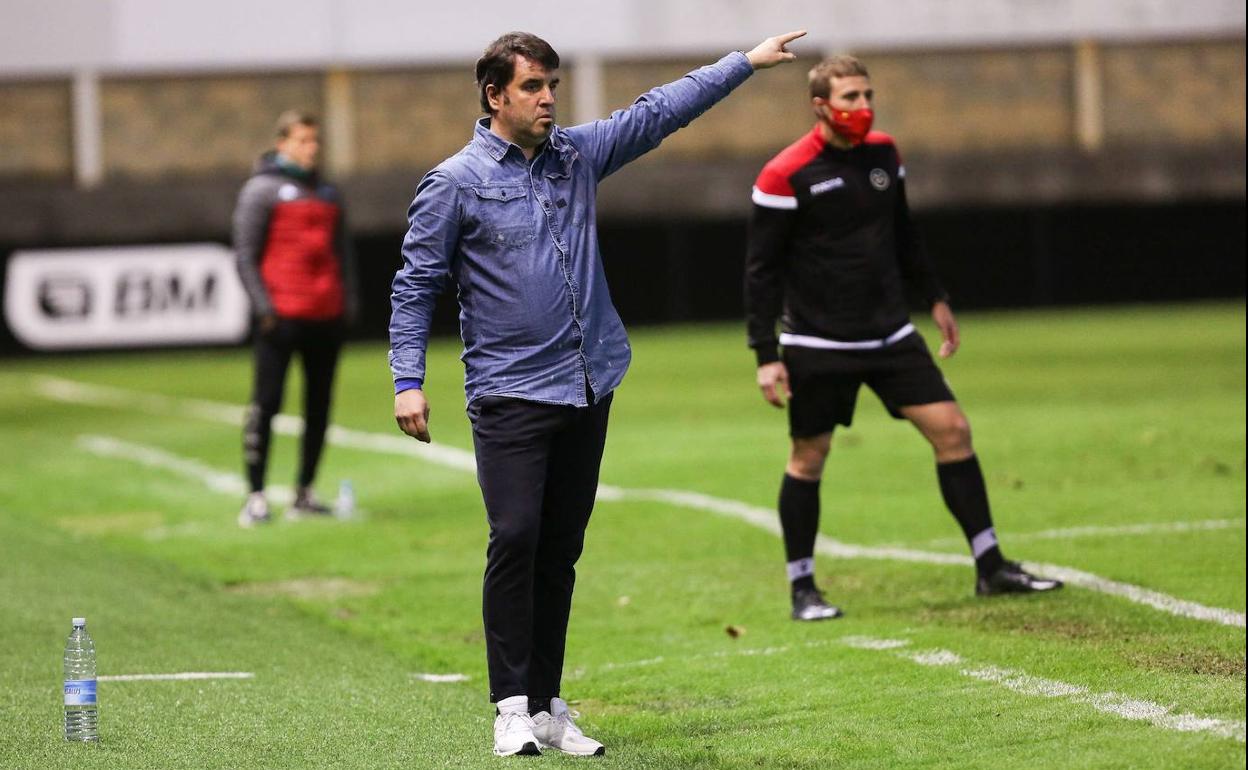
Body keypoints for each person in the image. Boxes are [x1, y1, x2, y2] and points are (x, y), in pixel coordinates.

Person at [390, 30, 805, 757]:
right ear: (494, 95)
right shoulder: (453, 181)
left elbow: (658, 111)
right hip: (509, 391)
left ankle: (549, 708)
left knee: (559, 549)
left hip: (588, 383)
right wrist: (407, 379)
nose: (549, 97)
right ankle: (510, 707)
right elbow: (415, 283)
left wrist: (743, 63)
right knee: (515, 538)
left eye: (552, 84)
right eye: (532, 87)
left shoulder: (577, 157)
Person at [745, 55, 1062, 622]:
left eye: (867, 96)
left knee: (953, 430)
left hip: (890, 332)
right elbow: (761, 272)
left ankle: (991, 567)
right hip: (818, 343)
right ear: (821, 106)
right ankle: (803, 589)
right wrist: (766, 355)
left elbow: (905, 234)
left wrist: (935, 297)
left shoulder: (885, 155)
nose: (863, 108)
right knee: (808, 457)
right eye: (850, 99)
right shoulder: (784, 174)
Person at [233, 110, 357, 528]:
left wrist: (346, 302)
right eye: (303, 140)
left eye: (315, 141)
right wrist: (264, 308)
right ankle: (256, 495)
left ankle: (304, 492)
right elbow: (245, 254)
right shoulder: (261, 191)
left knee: (319, 407)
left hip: (325, 315)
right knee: (266, 404)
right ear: (282, 143)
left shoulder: (327, 192)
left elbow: (342, 254)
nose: (311, 148)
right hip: (281, 316)